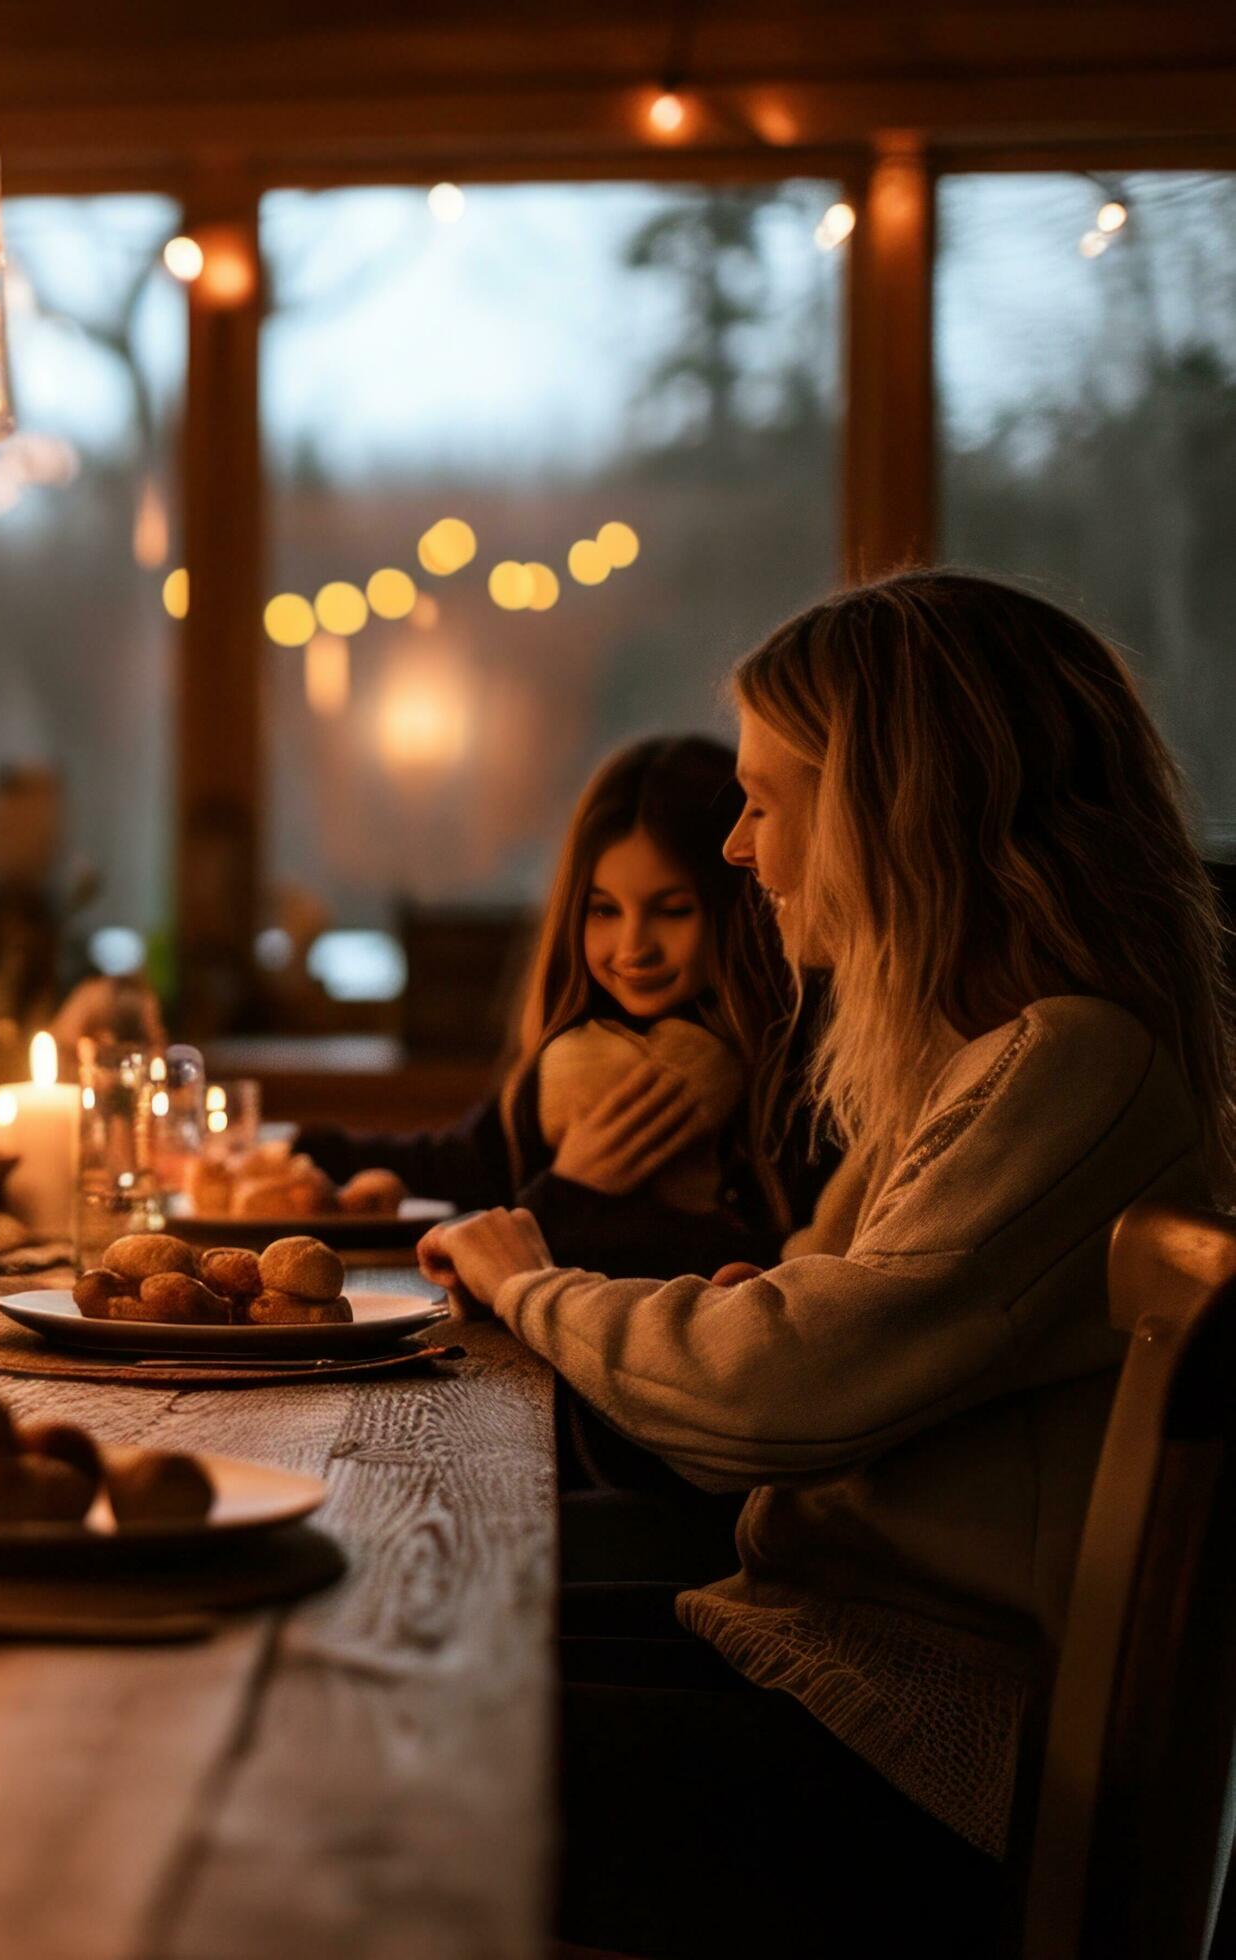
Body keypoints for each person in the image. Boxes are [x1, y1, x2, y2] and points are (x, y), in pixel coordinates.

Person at [422, 573, 1234, 1956]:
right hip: (819, 1651)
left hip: (913, 1750)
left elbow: (775, 1389)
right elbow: (817, 1307)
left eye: (768, 798)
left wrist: (526, 1282)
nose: (742, 849)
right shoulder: (982, 1056)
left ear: (896, 808)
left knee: (375, 1731)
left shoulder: (1071, 1066)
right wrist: (780, 1308)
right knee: (397, 1630)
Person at [295, 734, 829, 1282]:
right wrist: (301, 1148)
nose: (632, 947)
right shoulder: (576, 1058)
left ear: (742, 905)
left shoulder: (801, 1076)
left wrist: (572, 1193)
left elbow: (703, 1273)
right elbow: (461, 1164)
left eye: (672, 910)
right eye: (604, 910)